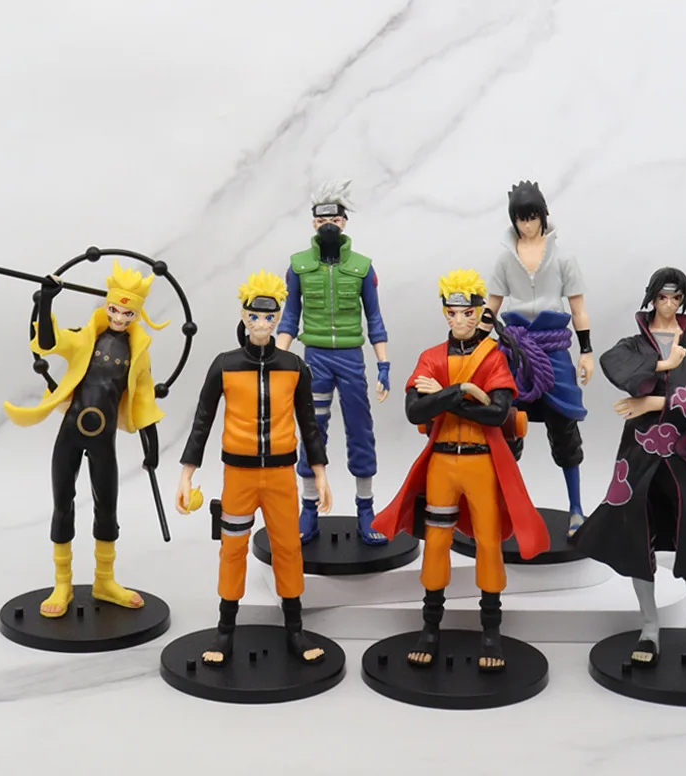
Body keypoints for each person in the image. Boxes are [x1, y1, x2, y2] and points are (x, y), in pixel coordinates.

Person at [572, 267, 686, 668]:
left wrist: (655, 402)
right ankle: (649, 627)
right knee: (638, 537)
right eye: (662, 296)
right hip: (639, 455)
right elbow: (614, 366)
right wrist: (661, 364)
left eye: (676, 297)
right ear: (652, 298)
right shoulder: (634, 346)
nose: (669, 304)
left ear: (682, 300)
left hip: (684, 457)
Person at [372, 269, 549, 671]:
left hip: (481, 462)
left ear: (479, 312)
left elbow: (497, 413)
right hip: (442, 464)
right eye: (453, 312)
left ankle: (491, 633)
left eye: (468, 312)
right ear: (445, 313)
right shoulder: (431, 357)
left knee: (488, 542)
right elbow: (415, 409)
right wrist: (463, 392)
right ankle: (429, 628)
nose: (461, 319)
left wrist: (444, 397)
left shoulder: (493, 357)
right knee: (436, 542)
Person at [176, 271, 333, 666]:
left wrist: (320, 471)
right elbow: (202, 421)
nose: (262, 324)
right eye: (254, 316)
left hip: (281, 475)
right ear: (244, 316)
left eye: (269, 317)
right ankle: (224, 631)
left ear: (278, 318)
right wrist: (186, 472)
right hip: (239, 476)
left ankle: (295, 629)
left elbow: (309, 423)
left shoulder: (294, 366)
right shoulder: (225, 365)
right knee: (232, 549)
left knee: (288, 548)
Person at [4, 261, 167, 618]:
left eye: (128, 313)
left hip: (103, 439)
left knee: (107, 507)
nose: (119, 317)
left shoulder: (137, 354)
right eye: (114, 309)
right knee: (63, 503)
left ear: (137, 314)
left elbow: (144, 402)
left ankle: (104, 580)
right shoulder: (86, 338)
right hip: (71, 433)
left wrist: (152, 449)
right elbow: (48, 342)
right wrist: (47, 300)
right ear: (106, 304)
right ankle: (62, 583)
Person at [276, 179, 390, 545]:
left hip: (351, 359)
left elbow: (374, 318)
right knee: (312, 430)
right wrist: (277, 358)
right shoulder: (298, 266)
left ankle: (366, 508)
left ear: (344, 222)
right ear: (313, 222)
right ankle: (308, 508)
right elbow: (289, 317)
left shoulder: (362, 267)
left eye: (336, 219)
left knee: (360, 429)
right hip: (315, 360)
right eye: (323, 219)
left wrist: (383, 364)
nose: (329, 225)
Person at [484, 180, 593, 537]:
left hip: (553, 349)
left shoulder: (562, 258)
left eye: (532, 217)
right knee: (506, 427)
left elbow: (578, 308)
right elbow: (491, 306)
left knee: (565, 429)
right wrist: (475, 345)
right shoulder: (505, 259)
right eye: (520, 218)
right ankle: (502, 505)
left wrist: (586, 351)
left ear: (543, 215)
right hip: (515, 349)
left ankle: (576, 508)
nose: (527, 225)